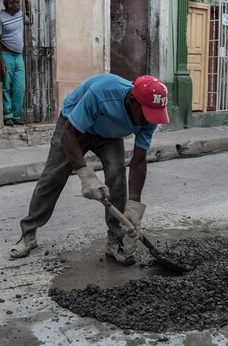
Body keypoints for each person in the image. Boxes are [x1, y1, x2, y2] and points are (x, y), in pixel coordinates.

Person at [9, 73, 169, 266]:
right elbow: (68, 133)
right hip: (74, 127)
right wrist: (85, 174)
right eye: (145, 114)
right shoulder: (102, 92)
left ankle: (115, 241)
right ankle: (28, 234)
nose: (148, 120)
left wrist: (134, 207)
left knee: (117, 174)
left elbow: (138, 161)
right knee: (53, 176)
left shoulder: (150, 116)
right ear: (132, 101)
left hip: (109, 134)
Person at [0, 0, 33, 126]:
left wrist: (28, 3)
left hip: (19, 56)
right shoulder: (0, 17)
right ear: (9, 4)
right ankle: (8, 116)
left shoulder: (20, 14)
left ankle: (16, 115)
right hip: (6, 55)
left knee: (20, 87)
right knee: (6, 86)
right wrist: (0, 61)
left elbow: (30, 20)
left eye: (19, 2)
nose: (19, 5)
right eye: (17, 3)